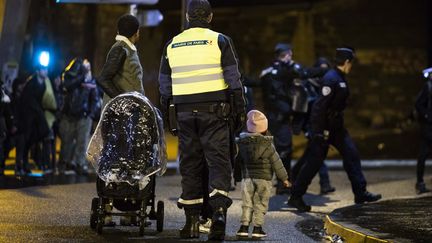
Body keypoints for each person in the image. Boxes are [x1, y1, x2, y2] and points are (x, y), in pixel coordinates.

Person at [158, 0, 246, 240]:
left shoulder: (172, 44)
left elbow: (164, 86)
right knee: (218, 161)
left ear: (187, 17)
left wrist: (168, 114)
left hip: (184, 112)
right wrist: (239, 108)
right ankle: (217, 214)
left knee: (190, 163)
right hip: (215, 112)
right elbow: (233, 77)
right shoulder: (220, 40)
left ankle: (191, 224)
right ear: (209, 17)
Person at [288, 47, 382, 212]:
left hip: (337, 127)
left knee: (351, 154)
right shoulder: (331, 79)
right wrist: (317, 131)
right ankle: (295, 197)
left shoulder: (340, 77)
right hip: (324, 128)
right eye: (351, 63)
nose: (351, 66)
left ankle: (360, 192)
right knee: (314, 163)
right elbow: (319, 107)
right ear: (346, 62)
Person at [259, 43, 306, 194]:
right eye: (288, 55)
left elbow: (301, 76)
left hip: (282, 117)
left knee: (282, 148)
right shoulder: (272, 73)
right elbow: (270, 92)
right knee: (284, 148)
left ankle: (282, 181)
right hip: (277, 117)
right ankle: (282, 183)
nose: (290, 57)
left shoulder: (286, 70)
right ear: (282, 55)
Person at [235, 110, 290, 239]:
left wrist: (236, 176)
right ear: (264, 128)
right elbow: (277, 162)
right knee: (260, 203)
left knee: (247, 203)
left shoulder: (242, 144)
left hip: (247, 178)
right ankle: (257, 229)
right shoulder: (268, 145)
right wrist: (284, 178)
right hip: (264, 179)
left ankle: (243, 228)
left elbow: (238, 162)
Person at [291, 57, 336, 194]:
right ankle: (325, 182)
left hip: (321, 125)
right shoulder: (308, 85)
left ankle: (293, 175)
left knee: (310, 154)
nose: (322, 72)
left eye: (325, 68)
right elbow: (304, 106)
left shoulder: (328, 85)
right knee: (318, 154)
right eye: (320, 68)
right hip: (310, 124)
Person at [59, 58, 100, 175]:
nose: (87, 68)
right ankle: (65, 163)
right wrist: (82, 76)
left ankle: (79, 164)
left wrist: (90, 114)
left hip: (84, 115)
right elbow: (68, 86)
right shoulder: (70, 76)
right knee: (67, 140)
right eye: (85, 66)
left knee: (82, 142)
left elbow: (94, 97)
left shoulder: (90, 79)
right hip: (70, 115)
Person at [97, 14, 144, 105]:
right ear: (136, 32)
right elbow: (103, 79)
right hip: (120, 114)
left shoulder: (128, 49)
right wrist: (122, 102)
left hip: (128, 112)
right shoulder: (121, 48)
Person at [413, 67, 432, 194]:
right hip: (428, 126)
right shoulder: (428, 86)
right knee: (424, 153)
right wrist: (427, 116)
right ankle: (419, 182)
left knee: (424, 153)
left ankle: (420, 182)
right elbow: (418, 103)